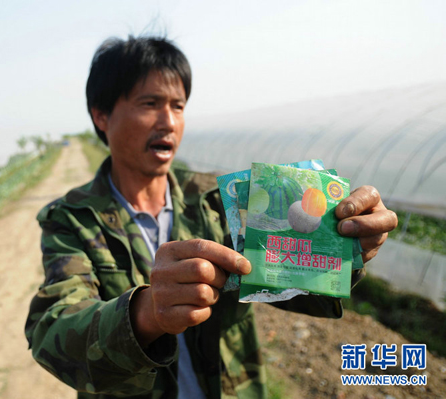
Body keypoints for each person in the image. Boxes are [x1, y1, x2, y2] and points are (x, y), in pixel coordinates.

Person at [25, 35, 398, 399]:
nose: (168, 122)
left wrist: (345, 248)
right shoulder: (72, 219)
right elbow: (54, 332)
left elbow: (292, 286)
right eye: (150, 103)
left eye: (178, 106)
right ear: (102, 116)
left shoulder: (218, 202)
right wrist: (146, 313)